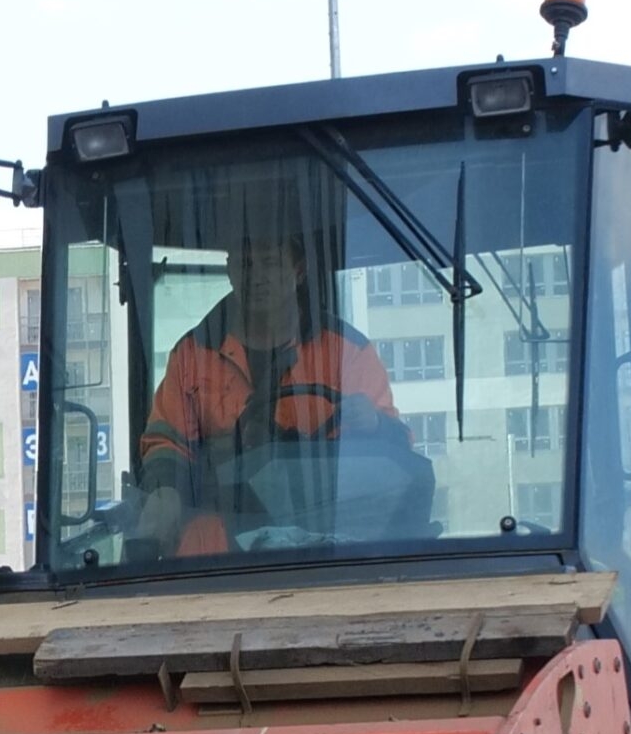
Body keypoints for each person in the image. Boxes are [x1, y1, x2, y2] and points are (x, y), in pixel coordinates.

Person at [134, 229, 421, 556]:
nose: (256, 276)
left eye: (269, 262)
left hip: (325, 539)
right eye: (244, 263)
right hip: (218, 541)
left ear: (298, 270)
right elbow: (168, 442)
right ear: (229, 270)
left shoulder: (348, 352)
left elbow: (396, 455)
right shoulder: (190, 354)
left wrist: (375, 425)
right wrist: (164, 492)